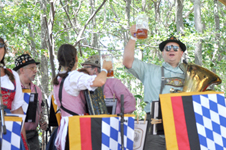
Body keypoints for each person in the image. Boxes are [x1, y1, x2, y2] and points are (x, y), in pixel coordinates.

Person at [123, 25, 186, 149]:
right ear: (162, 53)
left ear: (181, 53)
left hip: (181, 124)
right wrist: (133, 37)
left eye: (175, 48)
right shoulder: (149, 70)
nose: (171, 50)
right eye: (167, 48)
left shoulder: (190, 74)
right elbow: (127, 62)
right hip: (155, 125)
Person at [52, 44, 112, 150]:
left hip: (64, 127)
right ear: (76, 58)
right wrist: (105, 69)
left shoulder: (58, 79)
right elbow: (100, 81)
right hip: (76, 127)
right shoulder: (74, 77)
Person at [13, 53, 48, 150]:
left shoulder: (37, 89)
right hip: (16, 135)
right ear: (22, 70)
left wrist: (42, 122)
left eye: (35, 68)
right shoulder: (13, 88)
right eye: (32, 68)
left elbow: (39, 111)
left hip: (33, 136)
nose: (35, 71)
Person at [0, 37, 28, 149]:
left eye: (1, 46)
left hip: (9, 129)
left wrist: (24, 141)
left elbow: (18, 110)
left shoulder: (12, 75)